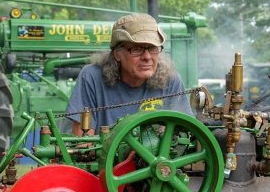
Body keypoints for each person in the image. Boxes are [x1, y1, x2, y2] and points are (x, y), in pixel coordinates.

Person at [65, 13, 193, 135]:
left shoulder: (171, 80)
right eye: (137, 49)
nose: (147, 57)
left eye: (152, 48)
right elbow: (83, 146)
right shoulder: (92, 77)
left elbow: (187, 133)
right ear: (118, 54)